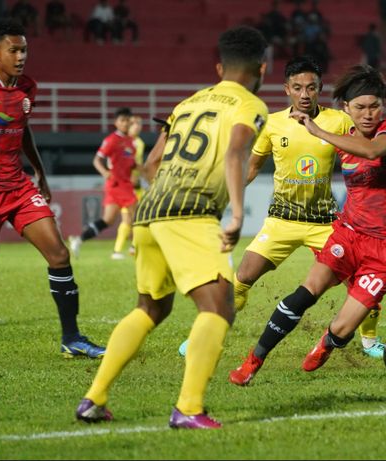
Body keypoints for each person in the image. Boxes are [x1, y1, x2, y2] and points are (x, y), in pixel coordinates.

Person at [74, 25, 269, 429]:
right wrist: (235, 213)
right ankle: (189, 409)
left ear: (220, 66)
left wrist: (163, 195)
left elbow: (150, 165)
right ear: (262, 69)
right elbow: (235, 151)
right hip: (191, 212)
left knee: (151, 307)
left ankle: (93, 399)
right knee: (218, 307)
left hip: (150, 210)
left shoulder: (188, 103)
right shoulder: (250, 105)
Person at [227, 64, 386, 385]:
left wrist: (317, 130)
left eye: (374, 107)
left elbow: (371, 149)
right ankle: (252, 362)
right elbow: (251, 162)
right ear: (347, 109)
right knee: (303, 292)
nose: (368, 114)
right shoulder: (297, 126)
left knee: (343, 328)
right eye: (360, 107)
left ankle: (334, 341)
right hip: (345, 232)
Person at [0, 18, 105, 370]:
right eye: (13, 50)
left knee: (59, 254)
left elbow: (23, 130)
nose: (20, 56)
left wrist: (40, 171)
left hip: (18, 187)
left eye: (24, 50)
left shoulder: (28, 88)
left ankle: (72, 339)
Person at [68, 107, 139, 260]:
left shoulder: (131, 142)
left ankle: (78, 240)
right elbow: (97, 160)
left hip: (122, 184)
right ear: (116, 123)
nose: (125, 123)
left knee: (108, 220)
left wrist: (141, 171)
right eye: (122, 120)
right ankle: (137, 247)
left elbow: (130, 163)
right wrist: (105, 172)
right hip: (117, 184)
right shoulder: (112, 140)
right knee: (137, 213)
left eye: (127, 120)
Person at [126, 114, 146, 255]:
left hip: (135, 184)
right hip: (124, 184)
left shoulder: (139, 143)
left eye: (139, 124)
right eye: (134, 124)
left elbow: (137, 164)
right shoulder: (124, 142)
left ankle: (133, 245)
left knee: (136, 216)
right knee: (128, 218)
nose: (137, 127)